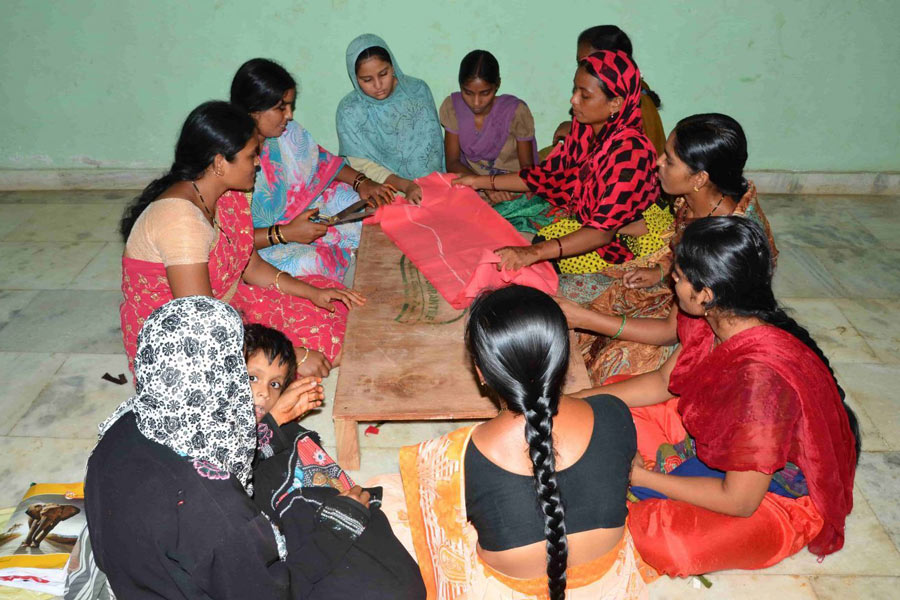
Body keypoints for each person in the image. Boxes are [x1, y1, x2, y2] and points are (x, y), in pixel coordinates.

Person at [87, 297, 424, 599]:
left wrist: (270, 429)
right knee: (393, 587)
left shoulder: (125, 423)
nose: (259, 392)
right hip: (201, 580)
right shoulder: (221, 514)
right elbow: (276, 591)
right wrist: (338, 523)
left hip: (144, 578)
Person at [575, 217, 859, 576]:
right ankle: (673, 474)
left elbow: (739, 501)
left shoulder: (760, 384)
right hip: (724, 451)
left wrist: (640, 478)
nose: (671, 281)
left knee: (663, 542)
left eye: (678, 276)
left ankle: (663, 481)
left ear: (706, 294)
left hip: (775, 493)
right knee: (610, 400)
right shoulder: (715, 319)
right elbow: (664, 381)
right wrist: (582, 397)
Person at [396, 286, 653, 599]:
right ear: (564, 359)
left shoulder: (450, 456)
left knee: (397, 501)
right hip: (605, 582)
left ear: (481, 373)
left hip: (509, 590)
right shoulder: (614, 413)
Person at [119, 101, 364, 378]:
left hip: (225, 307)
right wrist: (291, 355)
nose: (258, 163)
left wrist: (312, 293)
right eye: (251, 156)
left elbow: (252, 267)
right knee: (308, 356)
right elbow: (201, 325)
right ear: (220, 163)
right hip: (182, 342)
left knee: (337, 314)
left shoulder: (228, 195)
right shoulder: (180, 221)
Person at [557, 113, 778, 382]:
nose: (658, 163)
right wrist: (662, 270)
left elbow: (670, 331)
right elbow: (678, 241)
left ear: (699, 178)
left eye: (669, 160)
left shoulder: (720, 239)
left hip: (698, 318)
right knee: (564, 290)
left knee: (615, 364)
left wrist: (584, 319)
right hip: (682, 282)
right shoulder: (696, 199)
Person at [454, 50, 670, 302]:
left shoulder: (631, 154)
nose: (573, 100)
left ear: (616, 103)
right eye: (575, 90)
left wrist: (533, 253)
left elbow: (601, 233)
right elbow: (546, 176)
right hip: (592, 223)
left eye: (584, 95)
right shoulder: (586, 129)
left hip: (627, 239)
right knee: (494, 233)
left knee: (533, 274)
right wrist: (477, 181)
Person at [231, 58, 395, 283]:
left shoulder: (288, 133)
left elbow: (323, 164)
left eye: (290, 106)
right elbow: (230, 239)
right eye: (281, 108)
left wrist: (362, 183)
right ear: (253, 109)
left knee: (375, 215)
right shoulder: (231, 158)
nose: (289, 115)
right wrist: (286, 233)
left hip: (313, 209)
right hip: (267, 242)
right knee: (308, 264)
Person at [440, 49, 551, 235]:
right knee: (448, 215)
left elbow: (527, 172)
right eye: (468, 93)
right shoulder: (452, 107)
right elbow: (452, 161)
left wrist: (495, 186)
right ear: (460, 86)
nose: (476, 102)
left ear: (497, 85)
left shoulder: (515, 111)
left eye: (485, 93)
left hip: (511, 187)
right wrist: (483, 186)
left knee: (526, 212)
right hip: (472, 182)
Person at [336, 34, 444, 202]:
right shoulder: (350, 110)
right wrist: (405, 186)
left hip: (431, 188)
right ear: (355, 78)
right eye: (367, 80)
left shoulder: (417, 92)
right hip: (382, 193)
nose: (378, 86)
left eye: (383, 74)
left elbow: (434, 151)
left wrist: (425, 189)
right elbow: (362, 166)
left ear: (393, 67)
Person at [548, 26, 665, 156]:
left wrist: (573, 132)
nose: (584, 67)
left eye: (593, 62)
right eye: (580, 62)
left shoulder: (638, 108)